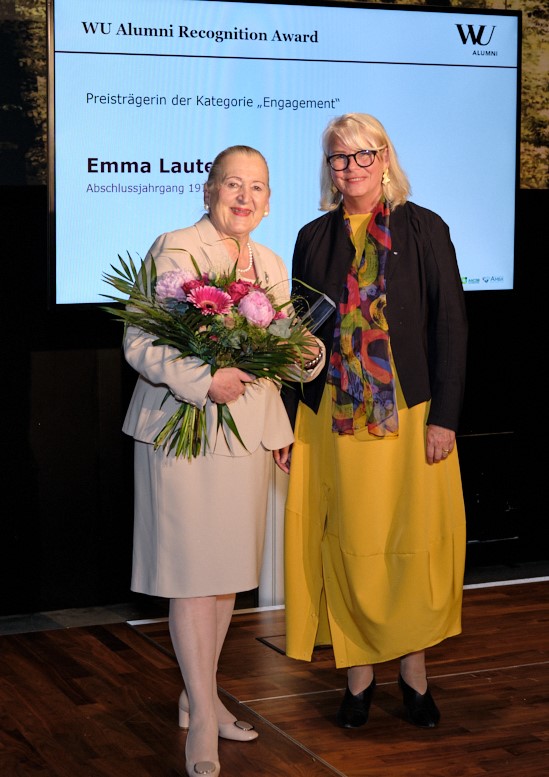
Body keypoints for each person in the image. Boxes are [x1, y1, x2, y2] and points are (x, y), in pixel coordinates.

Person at [121, 145, 324, 777]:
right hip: (182, 431)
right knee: (192, 577)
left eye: (256, 187)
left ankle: (198, 698)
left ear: (269, 201)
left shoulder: (271, 262)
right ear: (209, 190)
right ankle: (205, 720)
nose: (244, 197)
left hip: (245, 437)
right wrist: (204, 380)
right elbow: (140, 341)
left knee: (227, 574)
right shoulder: (176, 247)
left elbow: (279, 355)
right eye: (233, 184)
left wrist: (307, 359)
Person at [274, 113, 468, 730]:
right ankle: (358, 678)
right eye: (339, 157)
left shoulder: (424, 227)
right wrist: (286, 421)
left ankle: (414, 675)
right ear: (329, 168)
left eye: (364, 154)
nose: (351, 167)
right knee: (348, 543)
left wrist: (445, 418)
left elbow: (450, 325)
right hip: (330, 418)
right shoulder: (312, 237)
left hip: (410, 415)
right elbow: (298, 338)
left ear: (385, 159)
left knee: (410, 544)